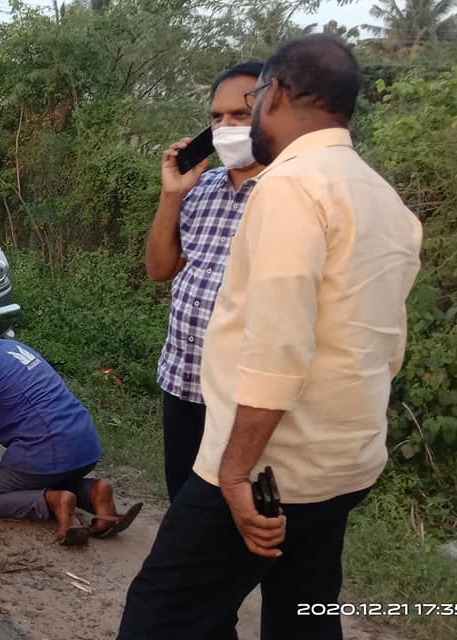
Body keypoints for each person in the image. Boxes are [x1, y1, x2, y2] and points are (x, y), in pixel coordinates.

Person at [117, 35, 423, 640]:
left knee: (161, 615)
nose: (239, 120)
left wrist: (235, 474)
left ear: (274, 94)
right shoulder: (383, 199)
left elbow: (277, 350)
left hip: (266, 471)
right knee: (305, 612)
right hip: (342, 468)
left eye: (249, 103)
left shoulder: (289, 187)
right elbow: (384, 349)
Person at [146, 61, 267, 502]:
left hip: (243, 393)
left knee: (236, 508)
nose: (226, 127)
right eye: (217, 118)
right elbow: (160, 269)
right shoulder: (203, 186)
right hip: (183, 377)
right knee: (182, 497)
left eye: (240, 116)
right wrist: (171, 194)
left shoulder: (287, 193)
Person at [0, 301, 143, 546]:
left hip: (48, 447)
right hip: (86, 444)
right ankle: (95, 492)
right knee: (48, 475)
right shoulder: (12, 348)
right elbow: (14, 403)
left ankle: (55, 502)